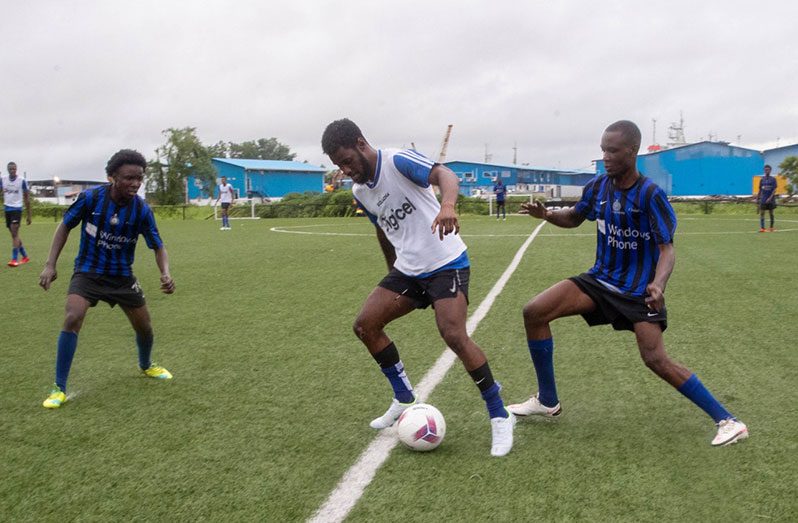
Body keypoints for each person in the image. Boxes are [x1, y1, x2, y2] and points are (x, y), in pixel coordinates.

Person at [508, 120, 748, 447]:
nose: (605, 156)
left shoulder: (650, 195)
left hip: (639, 293)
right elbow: (576, 217)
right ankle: (547, 400)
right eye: (603, 149)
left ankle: (728, 421)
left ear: (632, 152)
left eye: (612, 150)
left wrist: (659, 285)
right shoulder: (598, 187)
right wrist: (548, 215)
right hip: (599, 280)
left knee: (655, 360)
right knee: (534, 312)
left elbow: (667, 249)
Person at [321, 118, 515, 457]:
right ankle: (404, 398)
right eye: (339, 166)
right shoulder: (360, 191)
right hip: (408, 271)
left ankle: (500, 414)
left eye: (347, 161)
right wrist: (390, 270)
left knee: (453, 334)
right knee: (365, 325)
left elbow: (446, 175)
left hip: (446, 262)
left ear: (361, 143)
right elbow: (382, 229)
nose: (346, 170)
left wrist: (448, 206)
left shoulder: (397, 161)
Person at [39, 149, 175, 409]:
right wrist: (50, 264)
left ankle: (146, 365)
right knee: (72, 316)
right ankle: (59, 388)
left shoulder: (142, 210)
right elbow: (65, 226)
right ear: (112, 177)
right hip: (88, 272)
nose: (135, 183)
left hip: (122, 276)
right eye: (128, 178)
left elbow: (158, 245)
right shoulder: (91, 199)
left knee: (144, 327)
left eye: (139, 178)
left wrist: (165, 273)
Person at [1, 161, 32, 267]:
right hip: (7, 209)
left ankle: (14, 259)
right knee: (15, 235)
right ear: (8, 170)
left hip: (17, 209)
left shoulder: (22, 180)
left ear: (16, 169)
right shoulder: (3, 180)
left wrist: (29, 215)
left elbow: (27, 198)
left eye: (14, 169)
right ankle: (25, 256)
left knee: (14, 234)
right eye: (10, 169)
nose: (12, 171)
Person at [757, 164, 777, 232]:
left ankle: (771, 227)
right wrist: (758, 198)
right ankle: (762, 228)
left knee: (771, 213)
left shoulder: (773, 179)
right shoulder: (762, 179)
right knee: (762, 213)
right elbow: (760, 189)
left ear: (770, 170)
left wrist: (770, 198)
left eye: (768, 170)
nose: (766, 171)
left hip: (771, 200)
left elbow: (774, 190)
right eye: (765, 170)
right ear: (764, 171)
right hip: (763, 199)